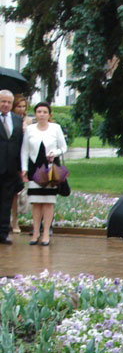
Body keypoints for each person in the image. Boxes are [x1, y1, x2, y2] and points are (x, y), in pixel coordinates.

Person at [20, 102, 67, 246]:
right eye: (39, 112)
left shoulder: (56, 128)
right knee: (36, 202)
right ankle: (35, 232)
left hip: (50, 169)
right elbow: (25, 150)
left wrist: (55, 153)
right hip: (35, 168)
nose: (41, 114)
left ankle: (46, 232)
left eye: (44, 112)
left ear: (49, 114)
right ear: (35, 114)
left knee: (48, 202)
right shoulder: (30, 129)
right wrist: (24, 168)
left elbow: (64, 147)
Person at [0, 89, 24, 245]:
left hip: (10, 169)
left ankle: (2, 233)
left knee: (6, 202)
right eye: (3, 101)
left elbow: (20, 144)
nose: (5, 105)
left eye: (8, 102)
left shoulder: (17, 119)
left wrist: (21, 169)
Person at [10, 95, 31, 235]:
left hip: (23, 158)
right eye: (19, 106)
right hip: (10, 157)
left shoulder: (28, 121)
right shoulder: (8, 119)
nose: (21, 109)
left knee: (17, 191)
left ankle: (15, 220)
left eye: (24, 106)